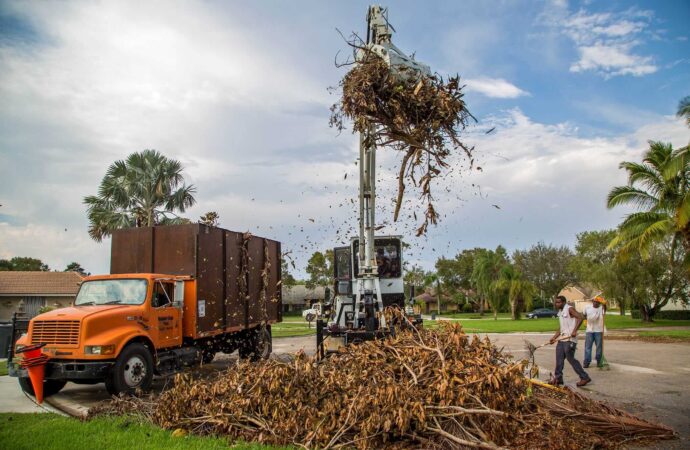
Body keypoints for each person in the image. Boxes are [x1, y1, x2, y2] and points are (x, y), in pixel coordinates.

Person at [549, 295, 591, 387]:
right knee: (559, 359)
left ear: (564, 302)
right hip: (562, 339)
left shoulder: (570, 309)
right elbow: (561, 327)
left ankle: (584, 377)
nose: (557, 304)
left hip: (570, 339)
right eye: (556, 302)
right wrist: (554, 337)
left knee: (570, 359)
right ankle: (558, 378)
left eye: (558, 302)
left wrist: (574, 331)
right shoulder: (560, 312)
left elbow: (580, 317)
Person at [583, 296, 606, 368]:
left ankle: (599, 361)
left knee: (599, 347)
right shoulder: (587, 307)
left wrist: (604, 304)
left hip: (599, 330)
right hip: (589, 330)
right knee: (588, 347)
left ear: (599, 303)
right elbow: (584, 314)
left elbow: (605, 310)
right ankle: (586, 361)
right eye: (595, 302)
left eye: (598, 302)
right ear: (593, 301)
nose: (596, 303)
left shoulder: (601, 308)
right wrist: (585, 321)